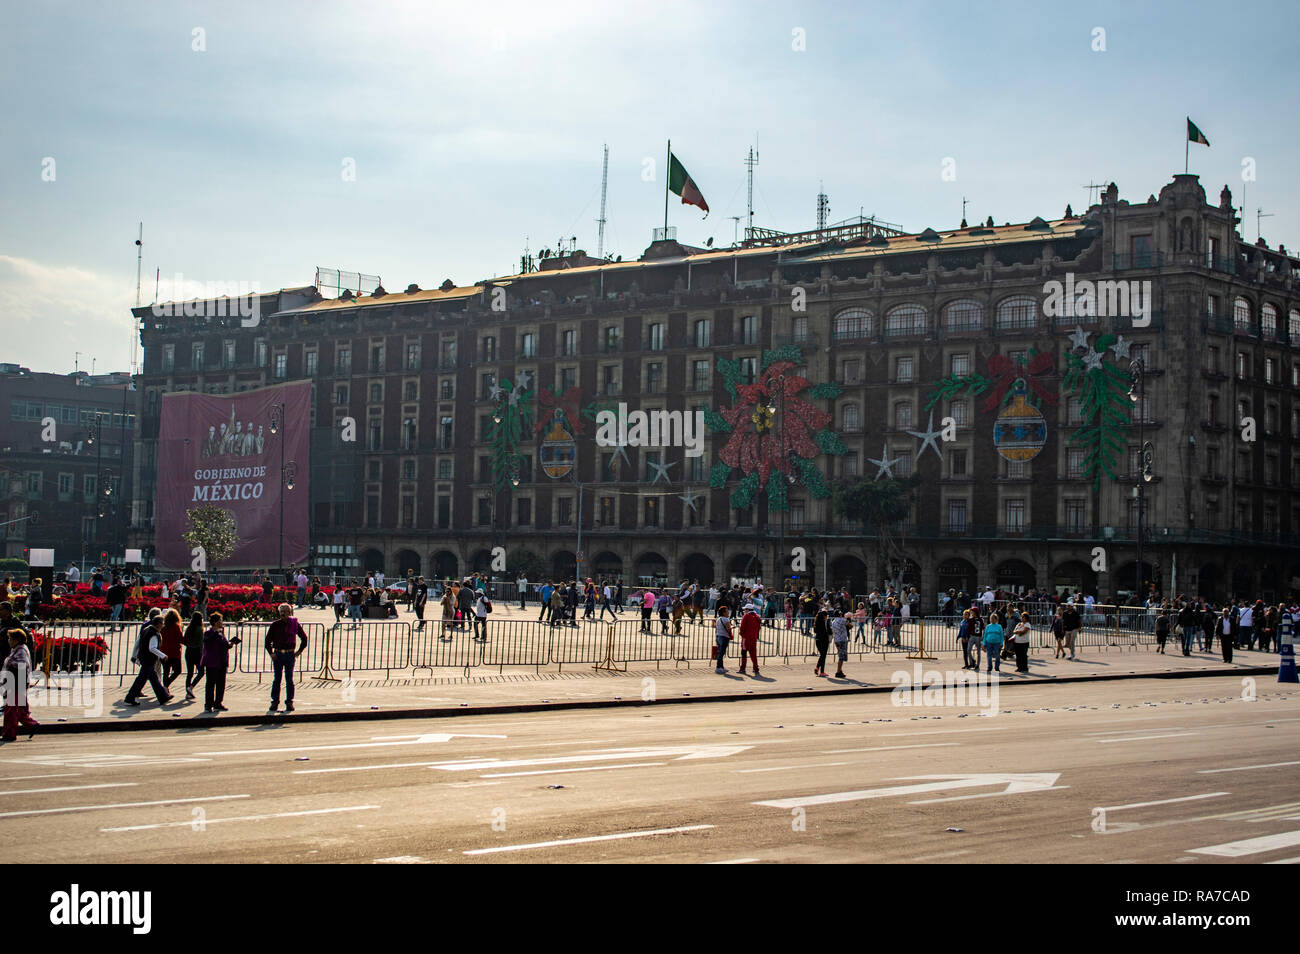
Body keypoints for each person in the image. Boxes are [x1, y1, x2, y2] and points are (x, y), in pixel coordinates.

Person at [264, 603, 307, 713]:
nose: (283, 613)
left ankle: (289, 702)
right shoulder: (275, 625)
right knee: (277, 679)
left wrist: (298, 652)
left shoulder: (294, 624)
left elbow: (304, 638)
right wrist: (271, 653)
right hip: (278, 654)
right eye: (281, 611)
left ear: (289, 612)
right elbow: (267, 641)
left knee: (289, 679)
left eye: (285, 611)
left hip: (289, 655)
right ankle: (274, 702)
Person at [125, 608, 172, 706]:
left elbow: (138, 642)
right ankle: (130, 697)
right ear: (158, 623)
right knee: (142, 679)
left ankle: (163, 697)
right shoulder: (154, 634)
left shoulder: (146, 629)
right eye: (162, 623)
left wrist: (134, 655)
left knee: (153, 678)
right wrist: (163, 656)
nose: (163, 625)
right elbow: (152, 648)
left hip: (143, 658)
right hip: (148, 659)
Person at [2, 628, 38, 742]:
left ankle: (10, 733)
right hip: (15, 683)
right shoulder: (17, 649)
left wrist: (11, 663)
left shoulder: (21, 650)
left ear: (17, 640)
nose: (9, 641)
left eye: (10, 639)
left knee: (10, 710)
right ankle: (32, 725)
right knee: (17, 709)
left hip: (17, 683)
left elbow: (22, 665)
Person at [201, 612, 237, 712]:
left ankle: (218, 702)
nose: (222, 622)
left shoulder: (222, 632)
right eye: (220, 620)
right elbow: (207, 643)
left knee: (221, 683)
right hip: (212, 662)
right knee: (210, 684)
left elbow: (224, 645)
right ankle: (208, 704)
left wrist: (231, 644)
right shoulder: (209, 633)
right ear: (216, 622)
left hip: (222, 661)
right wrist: (216, 633)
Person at [182, 611, 205, 700]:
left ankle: (188, 691)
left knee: (190, 673)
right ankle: (191, 687)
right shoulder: (199, 629)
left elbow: (184, 640)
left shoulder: (189, 628)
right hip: (197, 653)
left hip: (188, 652)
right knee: (201, 672)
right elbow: (200, 643)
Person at [158, 608, 184, 689]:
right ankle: (166, 685)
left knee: (166, 671)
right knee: (177, 671)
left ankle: (165, 687)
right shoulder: (176, 627)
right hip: (174, 652)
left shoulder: (163, 627)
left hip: (163, 652)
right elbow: (181, 639)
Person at [737, 604, 761, 676]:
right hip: (753, 637)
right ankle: (755, 667)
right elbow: (759, 627)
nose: (744, 611)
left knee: (744, 652)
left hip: (746, 637)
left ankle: (743, 668)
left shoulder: (746, 616)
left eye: (745, 609)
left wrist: (741, 633)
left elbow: (742, 627)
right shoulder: (757, 616)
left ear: (748, 609)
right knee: (753, 653)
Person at [831, 609, 850, 678]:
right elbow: (850, 626)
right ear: (840, 614)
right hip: (842, 639)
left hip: (836, 639)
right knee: (841, 657)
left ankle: (840, 670)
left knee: (840, 654)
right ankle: (838, 672)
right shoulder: (842, 620)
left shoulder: (833, 621)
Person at [812, 606, 831, 677]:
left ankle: (820, 669)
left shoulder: (816, 622)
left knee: (822, 656)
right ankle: (819, 669)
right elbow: (827, 631)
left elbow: (815, 631)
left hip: (818, 640)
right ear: (824, 616)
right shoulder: (824, 623)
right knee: (823, 656)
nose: (827, 617)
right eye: (827, 616)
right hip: (824, 640)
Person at [714, 605, 733, 674]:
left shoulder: (718, 619)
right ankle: (718, 667)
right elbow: (728, 628)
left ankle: (721, 667)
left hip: (718, 636)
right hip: (724, 637)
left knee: (720, 652)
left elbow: (716, 628)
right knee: (721, 653)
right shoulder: (726, 619)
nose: (728, 613)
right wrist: (733, 627)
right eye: (727, 611)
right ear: (724, 613)